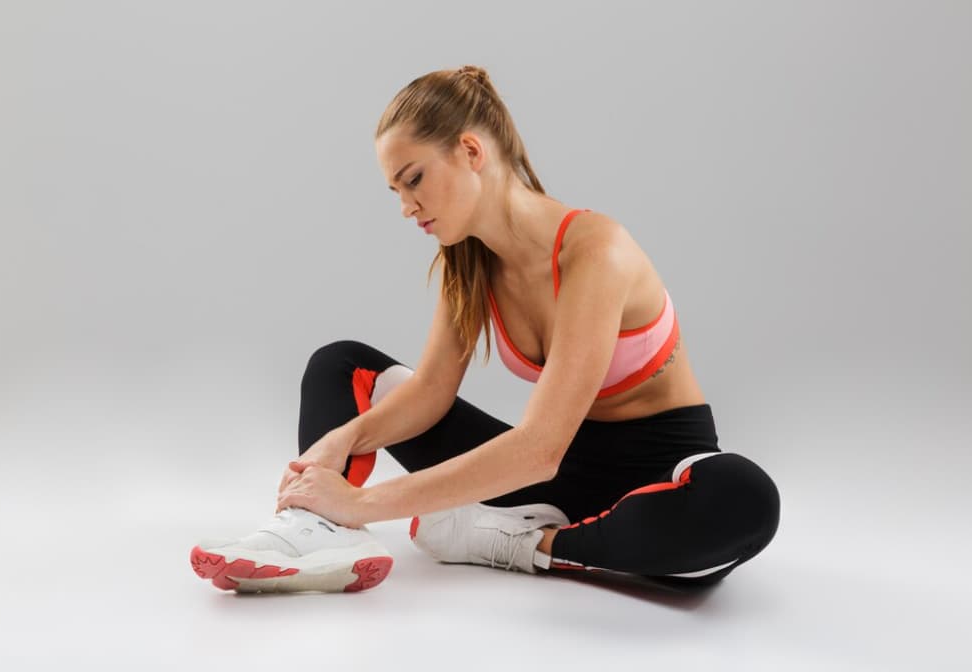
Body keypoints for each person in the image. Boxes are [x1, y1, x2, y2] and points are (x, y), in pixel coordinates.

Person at [190, 65, 780, 594]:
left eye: (414, 178)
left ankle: (514, 544)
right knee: (339, 364)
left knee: (743, 502)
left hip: (659, 477)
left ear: (471, 150)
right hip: (555, 486)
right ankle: (315, 530)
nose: (406, 206)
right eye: (395, 189)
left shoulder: (595, 251)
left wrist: (365, 499)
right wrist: (348, 438)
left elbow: (539, 448)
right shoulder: (466, 259)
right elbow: (429, 394)